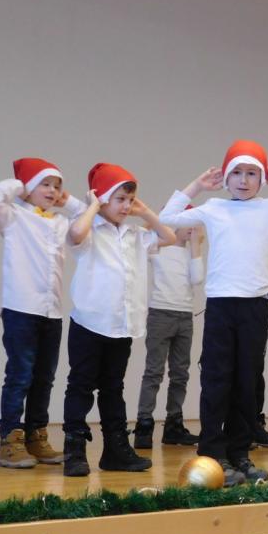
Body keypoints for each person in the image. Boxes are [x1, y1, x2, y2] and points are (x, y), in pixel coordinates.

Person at [159, 140, 268, 485]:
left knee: (247, 383)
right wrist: (197, 185)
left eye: (252, 173)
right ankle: (212, 453)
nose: (244, 180)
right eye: (237, 172)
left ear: (263, 178)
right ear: (226, 177)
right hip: (221, 307)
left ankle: (239, 453)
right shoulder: (214, 207)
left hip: (255, 307)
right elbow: (166, 217)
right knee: (217, 381)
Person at [62, 163, 177, 477]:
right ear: (102, 199)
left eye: (130, 200)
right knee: (81, 386)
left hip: (121, 325)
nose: (126, 206)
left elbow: (169, 236)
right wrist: (93, 206)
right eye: (120, 199)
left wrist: (145, 212)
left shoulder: (135, 235)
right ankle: (74, 450)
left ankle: (115, 450)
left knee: (113, 387)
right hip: (89, 323)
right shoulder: (89, 229)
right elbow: (75, 234)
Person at [0, 157, 86, 468]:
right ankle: (9, 441)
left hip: (52, 312)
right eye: (45, 184)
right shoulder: (13, 216)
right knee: (20, 375)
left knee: (44, 378)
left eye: (57, 186)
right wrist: (19, 186)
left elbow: (85, 224)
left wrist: (69, 201)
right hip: (21, 309)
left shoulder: (59, 222)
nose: (52, 191)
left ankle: (36, 436)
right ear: (28, 187)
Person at [133, 215, 205, 448]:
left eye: (195, 224)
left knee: (180, 373)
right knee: (154, 371)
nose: (192, 228)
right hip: (160, 314)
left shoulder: (192, 252)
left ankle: (174, 425)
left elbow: (197, 278)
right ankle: (144, 425)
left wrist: (195, 246)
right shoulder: (158, 246)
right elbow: (137, 238)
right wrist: (157, 219)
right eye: (188, 223)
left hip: (185, 316)